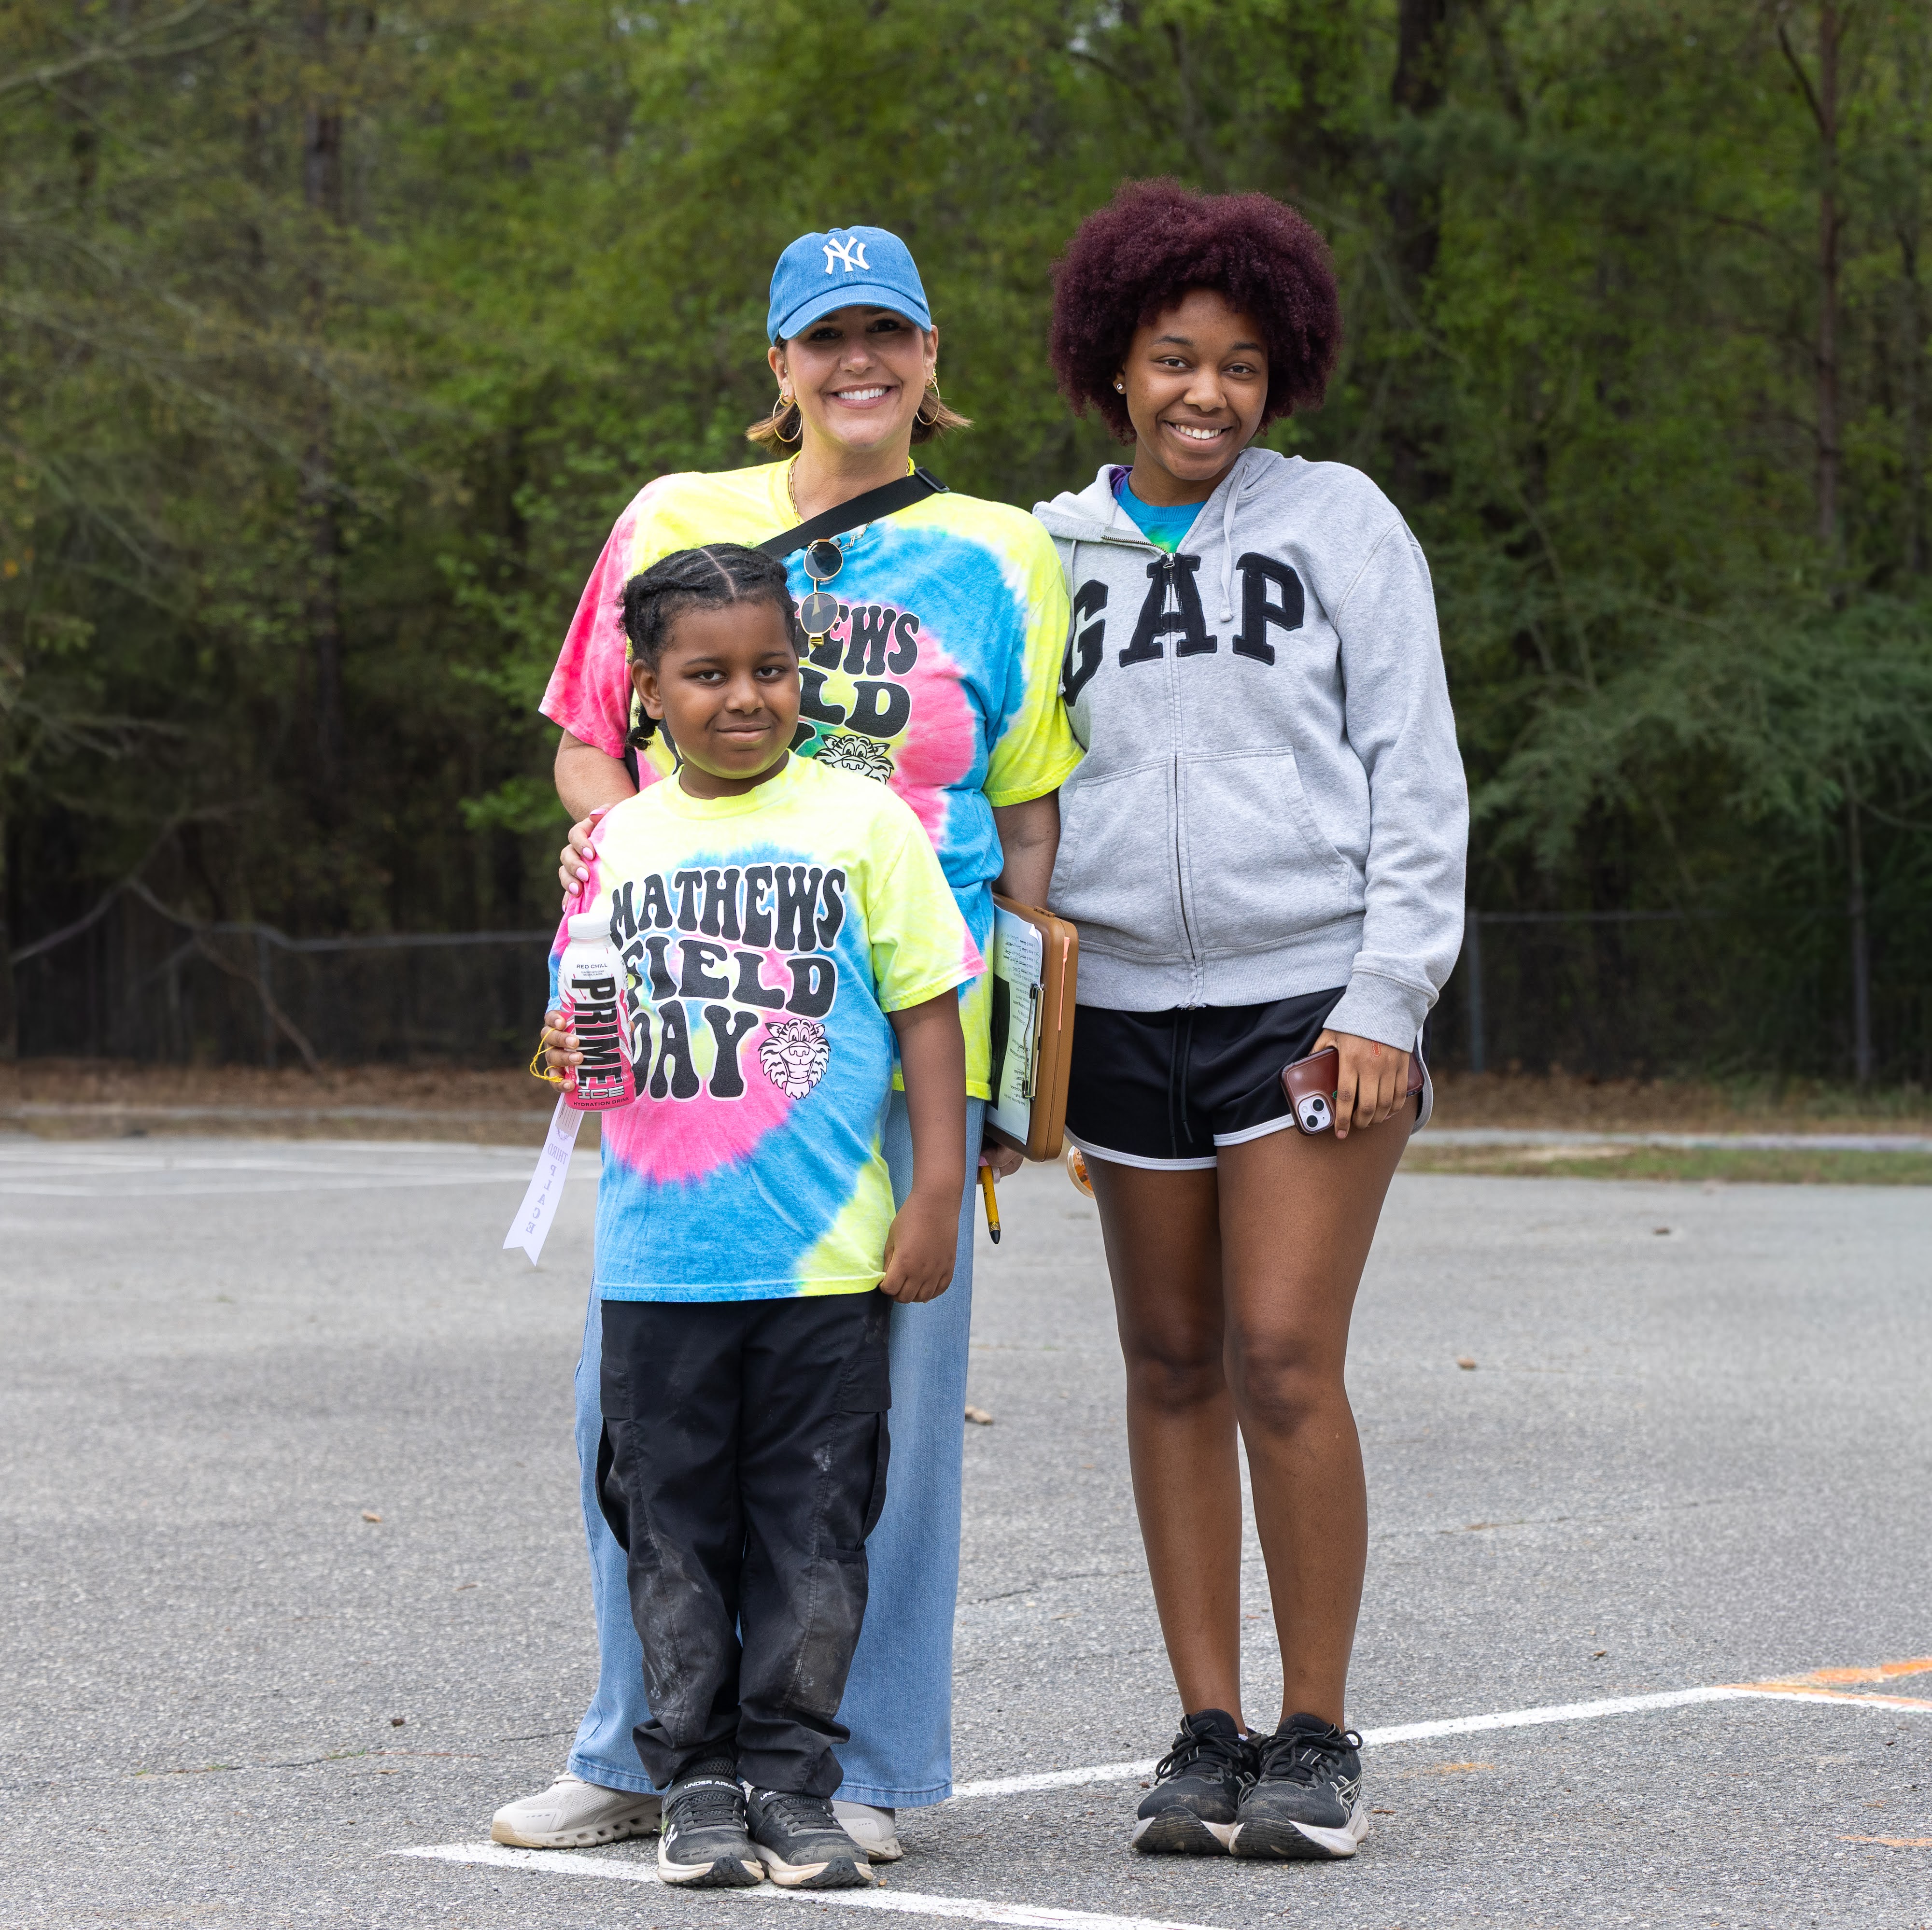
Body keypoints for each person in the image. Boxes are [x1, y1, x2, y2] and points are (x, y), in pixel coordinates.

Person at [494, 225, 1079, 1860]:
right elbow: (588, 751)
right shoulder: (674, 520)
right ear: (779, 365)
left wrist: (1018, 1059)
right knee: (640, 1425)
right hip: (695, 1036)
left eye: (886, 332)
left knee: (880, 1430)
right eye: (824, 337)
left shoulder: (1002, 552)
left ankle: (861, 1766)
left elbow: (1026, 817)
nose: (857, 363)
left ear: (932, 354)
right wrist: (603, 867)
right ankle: (642, 1750)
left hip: (900, 1034)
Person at [1034, 180, 1467, 1862]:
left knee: (1281, 1359)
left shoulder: (1338, 521)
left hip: (1307, 1001)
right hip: (1122, 1005)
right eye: (1171, 358)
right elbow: (1006, 791)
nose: (1204, 393)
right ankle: (1205, 1732)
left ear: (1279, 372)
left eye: (1237, 364)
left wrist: (1386, 996)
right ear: (1112, 365)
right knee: (1168, 1363)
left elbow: (1413, 771)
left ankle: (1315, 1734)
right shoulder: (1043, 554)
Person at [538, 542, 977, 1889]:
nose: (744, 697)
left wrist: (937, 1191)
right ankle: (694, 1785)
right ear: (647, 691)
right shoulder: (616, 843)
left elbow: (928, 1011)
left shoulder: (865, 825)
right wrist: (563, 1046)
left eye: (771, 669)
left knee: (815, 1531)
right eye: (707, 674)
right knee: (670, 1534)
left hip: (823, 1266)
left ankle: (793, 1783)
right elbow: (574, 1039)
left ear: (804, 676)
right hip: (660, 1267)